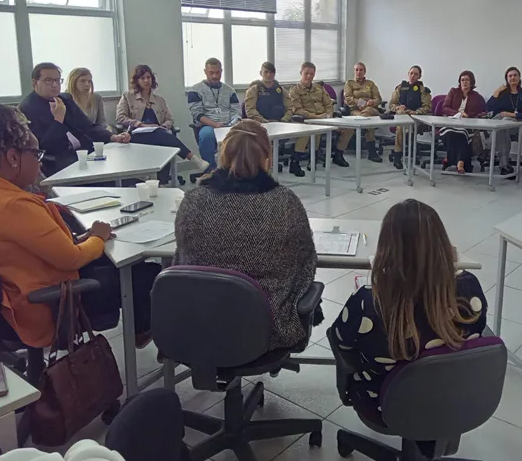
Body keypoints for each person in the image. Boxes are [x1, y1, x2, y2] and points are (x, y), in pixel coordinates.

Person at [0, 104, 158, 349]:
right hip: (52, 304)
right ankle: (155, 337)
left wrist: (84, 238)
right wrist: (98, 237)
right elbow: (70, 259)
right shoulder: (14, 205)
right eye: (37, 155)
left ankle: (145, 331)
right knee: (146, 275)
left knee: (116, 262)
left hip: (22, 297)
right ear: (13, 157)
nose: (40, 164)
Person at [174, 120, 317, 351]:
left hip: (197, 325)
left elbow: (182, 256)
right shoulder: (285, 202)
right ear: (267, 158)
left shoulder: (194, 200)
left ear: (222, 155)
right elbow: (305, 262)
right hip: (268, 330)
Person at [331, 199, 487, 405]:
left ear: (386, 250)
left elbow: (340, 341)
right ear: (442, 243)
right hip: (451, 400)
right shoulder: (470, 288)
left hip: (385, 404)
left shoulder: (368, 303)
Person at [18, 63, 130, 175]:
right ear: (34, 83)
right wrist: (58, 119)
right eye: (48, 80)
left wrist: (113, 137)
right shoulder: (27, 108)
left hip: (84, 152)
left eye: (57, 80)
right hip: (58, 161)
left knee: (121, 167)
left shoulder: (65, 99)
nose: (55, 85)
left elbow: (87, 126)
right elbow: (45, 146)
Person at [116, 65, 210, 181]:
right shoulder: (127, 96)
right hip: (136, 135)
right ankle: (193, 158)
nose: (146, 81)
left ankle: (161, 180)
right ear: (137, 80)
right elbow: (120, 118)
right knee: (163, 137)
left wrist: (164, 126)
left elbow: (170, 119)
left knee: (162, 137)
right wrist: (141, 124)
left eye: (148, 77)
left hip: (159, 134)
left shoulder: (159, 100)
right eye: (142, 78)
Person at [289, 61, 349, 174]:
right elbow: (298, 110)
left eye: (311, 74)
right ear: (301, 73)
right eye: (306, 73)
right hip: (307, 120)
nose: (309, 76)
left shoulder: (319, 88)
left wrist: (329, 114)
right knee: (311, 130)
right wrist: (316, 117)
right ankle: (295, 163)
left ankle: (338, 155)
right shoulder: (295, 90)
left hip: (325, 118)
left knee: (347, 128)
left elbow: (328, 104)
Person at [187, 58, 241, 170]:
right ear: (205, 72)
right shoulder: (195, 90)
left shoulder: (230, 90)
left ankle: (237, 170)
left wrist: (232, 124)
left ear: (221, 71)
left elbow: (236, 112)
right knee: (206, 136)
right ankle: (210, 172)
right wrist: (215, 125)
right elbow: (197, 114)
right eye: (211, 72)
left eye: (217, 72)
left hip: (229, 125)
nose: (215, 76)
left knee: (245, 135)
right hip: (208, 125)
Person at [487, 67, 522, 175]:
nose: (512, 77)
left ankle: (492, 152)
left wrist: (510, 114)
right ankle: (504, 164)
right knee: (503, 127)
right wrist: (497, 92)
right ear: (506, 78)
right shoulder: (502, 93)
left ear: (519, 77)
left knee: (505, 123)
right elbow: (488, 108)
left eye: (515, 75)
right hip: (499, 121)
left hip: (518, 124)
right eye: (510, 76)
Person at [439, 71, 487, 174]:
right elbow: (444, 108)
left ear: (472, 82)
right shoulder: (453, 92)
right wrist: (457, 113)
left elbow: (482, 112)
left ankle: (453, 159)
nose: (464, 82)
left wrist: (468, 115)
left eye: (467, 80)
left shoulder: (476, 96)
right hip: (450, 122)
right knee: (451, 133)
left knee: (461, 134)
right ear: (459, 82)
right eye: (462, 80)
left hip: (467, 125)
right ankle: (461, 162)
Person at [337, 62, 383, 163]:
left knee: (368, 113)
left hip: (371, 109)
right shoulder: (349, 83)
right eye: (356, 70)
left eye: (361, 70)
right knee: (368, 118)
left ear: (364, 71)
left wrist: (372, 102)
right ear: (354, 71)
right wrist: (362, 102)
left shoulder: (370, 84)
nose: (359, 72)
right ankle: (372, 151)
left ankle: (339, 153)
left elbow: (378, 98)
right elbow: (348, 99)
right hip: (355, 111)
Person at [389, 65, 432, 170]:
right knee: (401, 126)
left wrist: (416, 112)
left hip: (416, 118)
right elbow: (392, 104)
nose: (413, 76)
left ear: (419, 76)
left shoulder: (423, 90)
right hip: (401, 115)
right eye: (411, 73)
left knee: (401, 128)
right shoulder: (400, 88)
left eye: (416, 74)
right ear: (408, 74)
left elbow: (427, 107)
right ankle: (398, 156)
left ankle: (397, 155)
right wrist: (398, 107)